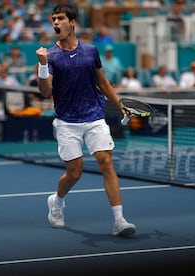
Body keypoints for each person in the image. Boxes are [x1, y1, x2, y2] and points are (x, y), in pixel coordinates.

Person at [35, 4, 136, 238]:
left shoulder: (91, 51)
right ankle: (57, 201)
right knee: (74, 173)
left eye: (60, 18)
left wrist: (120, 105)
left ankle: (119, 220)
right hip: (66, 121)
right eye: (53, 19)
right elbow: (45, 92)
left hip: (94, 115)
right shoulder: (50, 56)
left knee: (106, 163)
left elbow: (102, 83)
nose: (55, 23)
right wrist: (41, 65)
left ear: (72, 22)